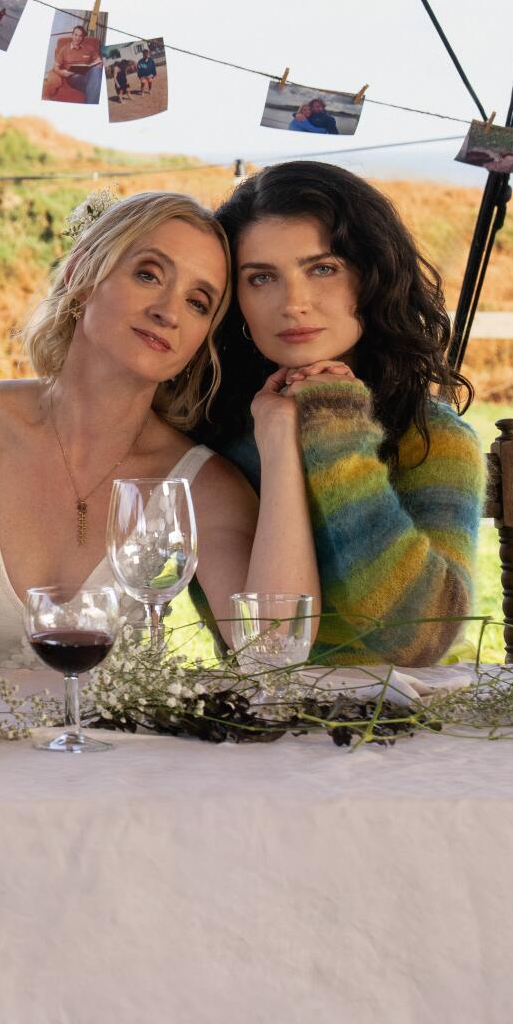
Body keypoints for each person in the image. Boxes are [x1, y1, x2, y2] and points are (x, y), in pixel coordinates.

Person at [0, 191, 319, 665]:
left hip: (112, 741)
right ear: (81, 275)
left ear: (202, 341)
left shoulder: (199, 484)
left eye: (198, 303)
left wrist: (280, 440)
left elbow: (272, 652)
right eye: (148, 274)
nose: (169, 311)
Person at [197, 161, 483, 666]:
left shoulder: (434, 438)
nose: (293, 303)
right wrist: (279, 437)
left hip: (405, 726)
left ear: (372, 276)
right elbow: (264, 649)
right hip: (255, 727)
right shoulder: (215, 435)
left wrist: (336, 429)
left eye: (322, 268)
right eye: (261, 277)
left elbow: (421, 640)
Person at [43, 23, 103, 103]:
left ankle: (90, 100)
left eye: (80, 36)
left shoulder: (89, 48)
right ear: (72, 35)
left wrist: (99, 64)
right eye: (76, 35)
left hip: (89, 74)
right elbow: (55, 66)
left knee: (96, 71)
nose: (77, 38)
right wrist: (62, 72)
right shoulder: (64, 49)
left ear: (83, 37)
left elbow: (99, 60)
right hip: (74, 77)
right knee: (95, 83)